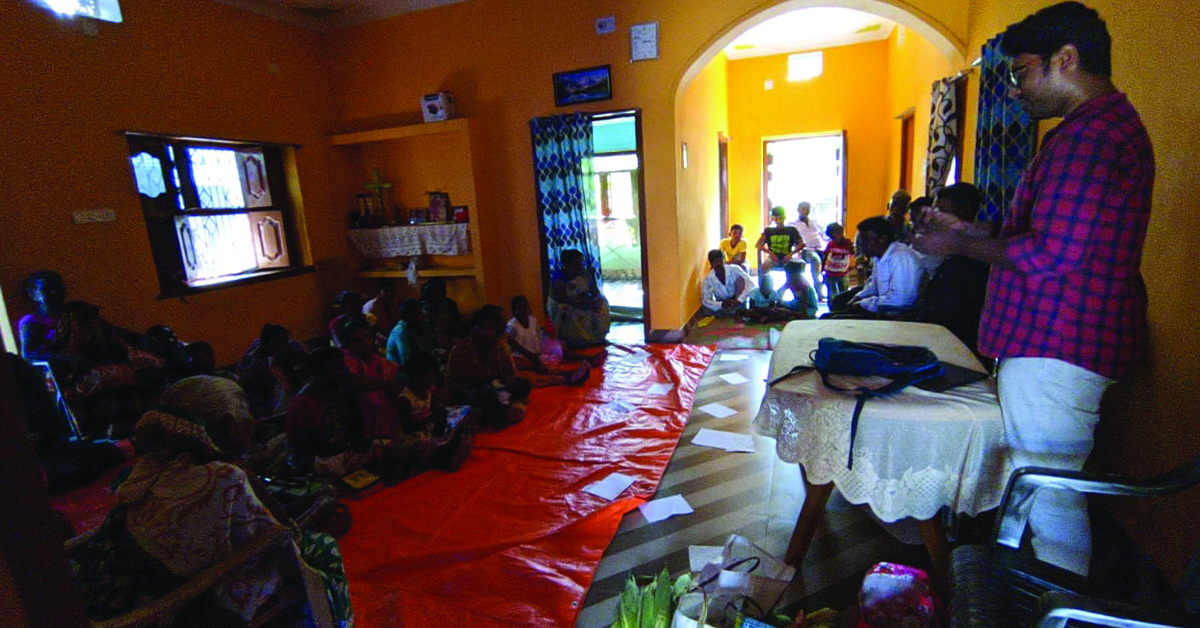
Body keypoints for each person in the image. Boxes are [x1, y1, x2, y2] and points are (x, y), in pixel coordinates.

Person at [914, 2, 1153, 576]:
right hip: (1058, 339)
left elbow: (1052, 254)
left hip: (1058, 345)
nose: (1016, 90)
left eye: (1022, 73)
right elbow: (1045, 234)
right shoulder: (1093, 131)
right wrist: (970, 230)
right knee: (1032, 477)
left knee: (1053, 493)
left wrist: (958, 246)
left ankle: (1060, 606)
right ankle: (1014, 583)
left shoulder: (1090, 139)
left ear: (1065, 60)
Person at [70, 376, 353, 627]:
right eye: (248, 415)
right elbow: (280, 537)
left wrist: (308, 501)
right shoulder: (223, 477)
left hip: (96, 593)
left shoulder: (155, 464)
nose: (253, 423)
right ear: (230, 426)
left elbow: (250, 518)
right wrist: (319, 508)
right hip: (159, 611)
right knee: (321, 548)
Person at [916, 183, 992, 355]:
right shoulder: (951, 251)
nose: (934, 218)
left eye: (941, 211)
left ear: (964, 212)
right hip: (937, 337)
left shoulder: (979, 257)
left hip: (960, 346)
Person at [446, 309, 532, 429]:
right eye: (482, 328)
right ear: (472, 329)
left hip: (495, 392)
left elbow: (511, 375)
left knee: (518, 406)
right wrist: (472, 393)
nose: (487, 332)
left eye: (491, 329)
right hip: (469, 396)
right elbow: (452, 384)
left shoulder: (500, 347)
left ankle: (487, 416)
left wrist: (504, 386)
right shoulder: (460, 351)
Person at [828, 217, 923, 317]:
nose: (862, 246)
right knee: (838, 302)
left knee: (832, 318)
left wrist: (863, 304)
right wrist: (859, 297)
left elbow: (899, 299)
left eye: (867, 240)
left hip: (895, 314)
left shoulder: (900, 257)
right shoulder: (879, 257)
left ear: (883, 239)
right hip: (883, 305)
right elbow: (874, 285)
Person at [504, 295, 592, 385]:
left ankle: (588, 359)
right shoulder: (512, 326)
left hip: (536, 352)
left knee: (558, 348)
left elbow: (539, 335)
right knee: (541, 366)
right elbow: (512, 348)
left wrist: (550, 336)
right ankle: (568, 375)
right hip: (522, 357)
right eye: (519, 308)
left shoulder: (532, 320)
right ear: (513, 312)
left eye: (525, 307)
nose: (523, 310)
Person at [235, 324, 309, 419]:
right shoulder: (256, 368)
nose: (284, 346)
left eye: (286, 341)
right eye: (278, 342)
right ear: (267, 344)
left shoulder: (292, 356)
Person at [547, 249, 611, 348]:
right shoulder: (558, 277)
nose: (580, 268)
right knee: (567, 310)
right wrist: (584, 303)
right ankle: (575, 341)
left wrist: (595, 301)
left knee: (602, 303)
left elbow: (595, 292)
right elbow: (564, 298)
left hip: (583, 302)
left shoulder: (585, 274)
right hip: (567, 304)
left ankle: (596, 338)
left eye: (581, 264)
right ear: (566, 265)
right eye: (576, 265)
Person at [19, 269, 67, 361]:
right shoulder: (32, 322)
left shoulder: (75, 314)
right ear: (33, 294)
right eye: (46, 289)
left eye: (58, 287)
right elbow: (29, 354)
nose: (54, 292)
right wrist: (67, 358)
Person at [385, 299, 435, 382]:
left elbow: (428, 348)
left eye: (420, 313)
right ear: (406, 317)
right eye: (416, 315)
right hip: (400, 373)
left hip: (418, 368)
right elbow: (406, 360)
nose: (420, 317)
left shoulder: (420, 327)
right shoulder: (401, 331)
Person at [789, 202, 828, 299]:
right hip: (806, 250)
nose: (805, 211)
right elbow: (791, 239)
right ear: (798, 210)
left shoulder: (814, 222)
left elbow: (825, 235)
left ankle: (830, 287)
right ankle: (818, 291)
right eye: (803, 209)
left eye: (807, 209)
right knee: (815, 260)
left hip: (819, 248)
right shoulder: (793, 225)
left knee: (833, 260)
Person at [701, 249, 754, 317]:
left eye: (720, 262)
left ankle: (737, 310)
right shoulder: (708, 279)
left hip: (737, 299)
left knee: (741, 280)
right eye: (716, 263)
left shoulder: (735, 269)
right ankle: (731, 311)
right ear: (711, 265)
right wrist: (721, 304)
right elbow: (706, 300)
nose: (719, 264)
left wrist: (739, 300)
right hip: (723, 302)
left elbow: (751, 284)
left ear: (724, 261)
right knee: (706, 309)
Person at [420, 278, 467, 352]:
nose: (435, 299)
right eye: (431, 296)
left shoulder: (446, 307)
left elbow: (457, 328)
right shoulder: (421, 313)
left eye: (439, 295)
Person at [756, 206, 802, 273]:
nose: (779, 221)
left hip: (788, 257)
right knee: (765, 267)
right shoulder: (768, 231)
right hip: (773, 258)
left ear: (784, 218)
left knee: (797, 266)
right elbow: (758, 244)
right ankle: (766, 283)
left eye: (781, 218)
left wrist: (791, 254)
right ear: (773, 219)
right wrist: (770, 253)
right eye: (777, 219)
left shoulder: (792, 230)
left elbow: (802, 244)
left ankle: (793, 282)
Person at [821, 223, 854, 300]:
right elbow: (825, 256)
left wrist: (852, 267)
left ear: (841, 233)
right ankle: (833, 307)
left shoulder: (848, 244)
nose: (834, 239)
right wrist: (822, 269)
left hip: (843, 273)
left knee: (844, 293)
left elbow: (854, 253)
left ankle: (843, 308)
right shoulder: (831, 244)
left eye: (835, 237)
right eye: (831, 237)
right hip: (830, 272)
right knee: (832, 293)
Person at [362, 280, 399, 348]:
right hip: (376, 342)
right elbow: (374, 331)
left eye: (392, 291)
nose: (390, 294)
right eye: (386, 291)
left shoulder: (392, 304)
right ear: (379, 292)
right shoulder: (372, 306)